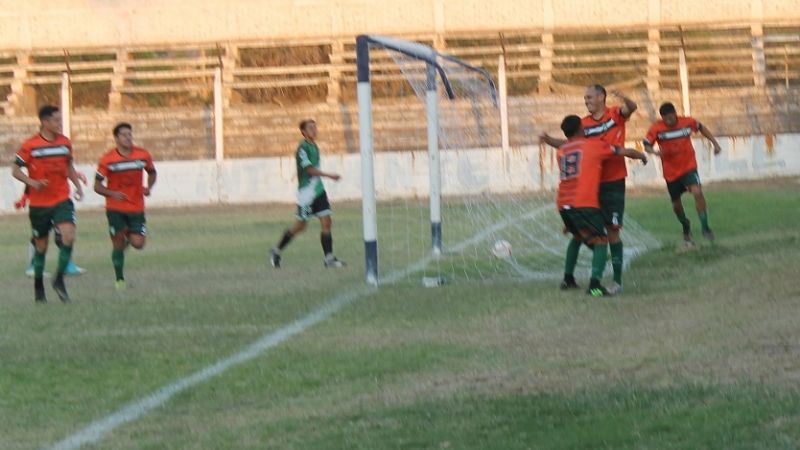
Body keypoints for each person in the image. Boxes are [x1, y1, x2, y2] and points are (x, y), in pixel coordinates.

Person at [541, 84, 638, 294]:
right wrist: (549, 140)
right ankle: (580, 278)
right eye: (584, 98)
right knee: (584, 235)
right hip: (592, 184)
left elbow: (631, 108)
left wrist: (624, 97)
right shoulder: (582, 125)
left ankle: (617, 282)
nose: (586, 101)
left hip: (613, 182)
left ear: (602, 96)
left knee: (612, 231)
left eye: (589, 97)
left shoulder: (615, 114)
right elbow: (571, 144)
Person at [555, 115, 647, 296]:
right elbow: (622, 151)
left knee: (578, 237)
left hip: (563, 202)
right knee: (601, 240)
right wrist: (641, 155)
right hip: (583, 201)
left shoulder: (562, 150)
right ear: (581, 128)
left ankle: (568, 279)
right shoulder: (593, 146)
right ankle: (595, 286)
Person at [12, 105, 85, 303]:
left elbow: (68, 166)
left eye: (60, 120)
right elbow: (16, 170)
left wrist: (77, 186)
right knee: (41, 246)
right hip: (39, 204)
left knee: (68, 236)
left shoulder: (65, 143)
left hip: (62, 199)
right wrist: (33, 183)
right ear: (44, 122)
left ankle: (59, 279)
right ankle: (38, 285)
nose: (59, 124)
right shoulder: (30, 145)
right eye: (55, 120)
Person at [269, 119, 345, 269]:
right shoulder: (302, 148)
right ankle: (276, 251)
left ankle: (329, 259)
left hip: (318, 190)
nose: (314, 130)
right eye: (310, 128)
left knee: (327, 222)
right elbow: (309, 170)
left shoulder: (314, 146)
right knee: (300, 226)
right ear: (303, 132)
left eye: (315, 127)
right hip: (306, 194)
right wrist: (329, 175)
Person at [643, 102, 722, 245]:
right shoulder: (657, 128)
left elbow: (702, 128)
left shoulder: (687, 122)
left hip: (688, 167)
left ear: (675, 114)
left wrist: (715, 144)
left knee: (697, 192)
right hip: (671, 172)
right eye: (666, 119)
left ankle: (705, 227)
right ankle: (686, 225)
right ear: (662, 117)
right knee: (676, 205)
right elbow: (646, 144)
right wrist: (654, 152)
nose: (669, 121)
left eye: (671, 117)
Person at [94, 123, 157, 290]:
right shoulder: (107, 159)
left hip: (136, 207)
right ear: (116, 138)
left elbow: (152, 172)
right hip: (115, 208)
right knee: (117, 243)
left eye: (130, 134)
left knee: (138, 243)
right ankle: (119, 279)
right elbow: (97, 186)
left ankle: (127, 240)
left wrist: (149, 187)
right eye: (124, 135)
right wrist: (112, 193)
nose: (128, 138)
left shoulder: (142, 155)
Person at [17, 187, 87, 277]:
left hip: (58, 201)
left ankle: (67, 264)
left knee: (62, 233)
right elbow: (31, 181)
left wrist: (77, 176)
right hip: (40, 203)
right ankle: (33, 266)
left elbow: (66, 173)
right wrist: (24, 198)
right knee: (40, 235)